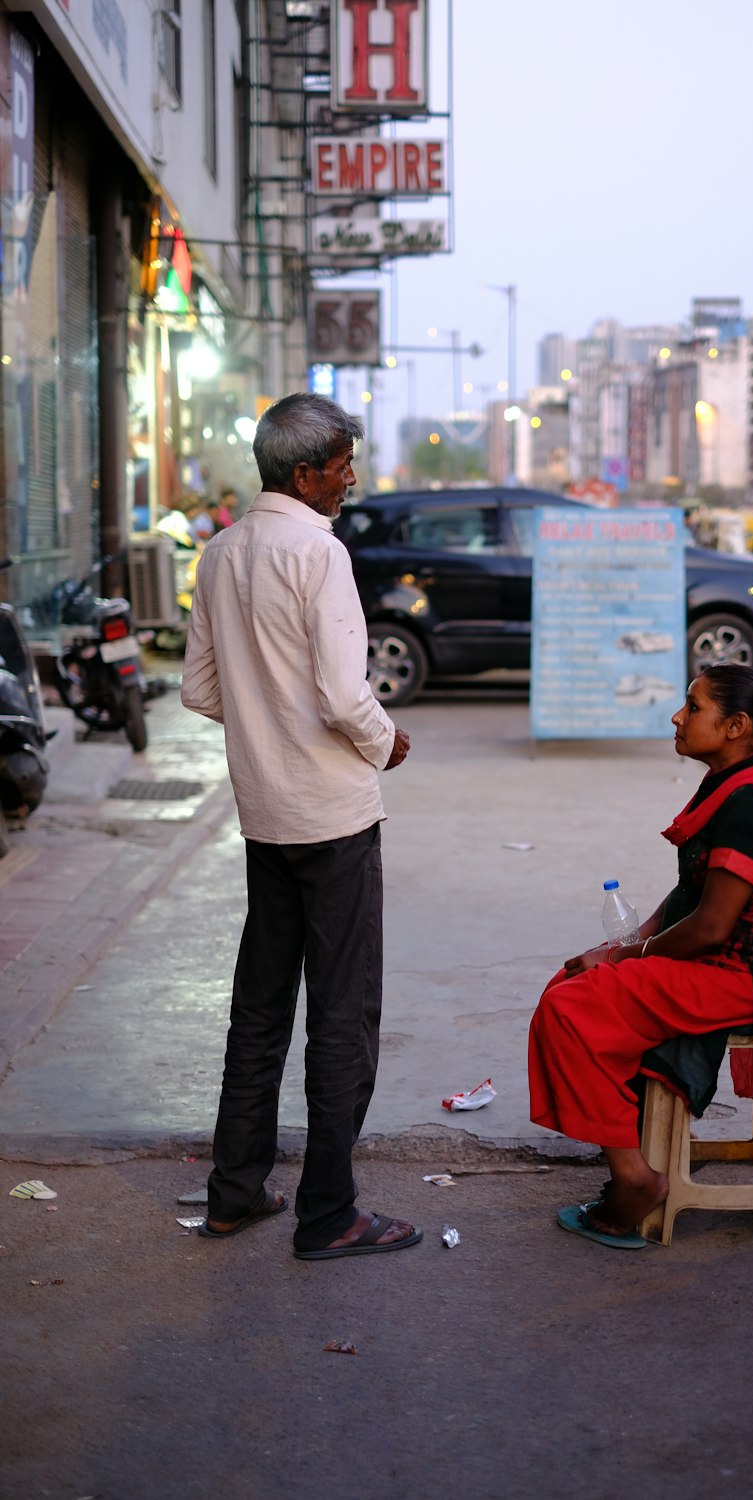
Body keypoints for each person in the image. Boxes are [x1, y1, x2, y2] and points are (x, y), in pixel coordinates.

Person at [180, 392, 422, 1262]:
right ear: (306, 472)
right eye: (343, 465)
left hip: (265, 816)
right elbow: (342, 692)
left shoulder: (220, 554)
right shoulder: (318, 554)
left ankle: (234, 1193)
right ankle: (330, 1212)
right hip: (333, 816)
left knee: (260, 1010)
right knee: (343, 1016)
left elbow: (202, 691)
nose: (351, 478)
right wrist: (383, 739)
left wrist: (264, 724)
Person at [528, 664, 753, 1250]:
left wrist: (627, 957)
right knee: (567, 984)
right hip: (718, 964)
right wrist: (621, 947)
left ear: (737, 726)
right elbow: (694, 890)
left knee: (572, 1010)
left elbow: (712, 926)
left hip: (743, 977)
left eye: (693, 707)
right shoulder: (734, 779)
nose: (677, 716)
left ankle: (635, 1180)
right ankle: (634, 1144)